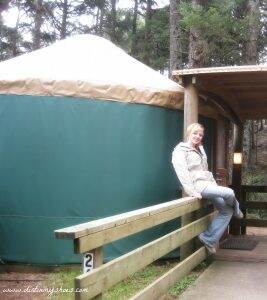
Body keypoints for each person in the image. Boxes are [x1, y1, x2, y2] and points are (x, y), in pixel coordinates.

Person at [172, 122, 243, 254]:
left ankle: (208, 238)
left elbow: (204, 170)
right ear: (189, 133)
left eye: (200, 134)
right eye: (195, 133)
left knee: (227, 211)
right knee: (229, 192)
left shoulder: (199, 150)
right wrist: (192, 191)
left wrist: (202, 150)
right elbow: (182, 172)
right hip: (198, 186)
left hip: (209, 184)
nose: (198, 136)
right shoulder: (180, 150)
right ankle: (237, 208)